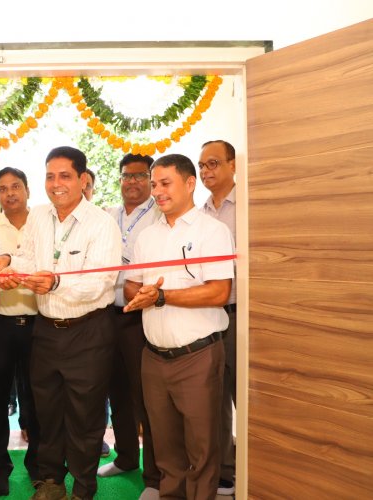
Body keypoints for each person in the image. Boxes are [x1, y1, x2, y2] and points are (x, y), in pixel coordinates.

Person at [0, 146, 122, 500]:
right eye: (49, 176)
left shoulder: (102, 223)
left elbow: (101, 282)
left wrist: (56, 282)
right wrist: (6, 259)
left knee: (85, 417)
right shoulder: (40, 217)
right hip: (45, 331)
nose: (56, 184)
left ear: (82, 179)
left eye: (65, 176)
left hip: (89, 331)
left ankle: (84, 488)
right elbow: (28, 256)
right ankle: (51, 482)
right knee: (46, 411)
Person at [124, 153, 234, 499]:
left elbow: (219, 291)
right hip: (154, 358)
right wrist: (143, 293)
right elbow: (131, 284)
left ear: (190, 183)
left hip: (197, 357)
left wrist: (160, 296)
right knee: (165, 448)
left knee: (202, 450)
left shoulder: (213, 231)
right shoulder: (146, 236)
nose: (156, 191)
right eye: (154, 184)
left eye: (165, 183)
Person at [97, 154, 162, 500]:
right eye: (126, 176)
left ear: (150, 180)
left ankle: (154, 477)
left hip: (140, 317)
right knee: (116, 391)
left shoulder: (159, 216)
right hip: (108, 314)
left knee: (145, 398)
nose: (132, 182)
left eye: (140, 176)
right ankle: (125, 457)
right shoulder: (109, 216)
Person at [0, 167, 40, 496]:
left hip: (36, 324)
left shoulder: (44, 224)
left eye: (16, 186)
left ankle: (38, 466)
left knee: (36, 399)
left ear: (28, 190)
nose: (10, 193)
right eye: (2, 189)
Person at [199, 140, 237, 497]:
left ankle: (255, 466)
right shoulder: (200, 215)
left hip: (244, 314)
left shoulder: (247, 206)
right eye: (201, 166)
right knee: (218, 397)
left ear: (232, 164)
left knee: (246, 394)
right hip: (210, 315)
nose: (207, 171)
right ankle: (226, 471)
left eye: (213, 163)